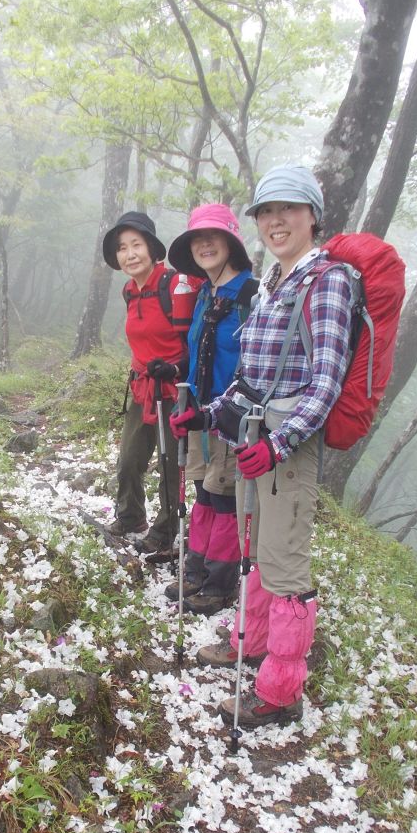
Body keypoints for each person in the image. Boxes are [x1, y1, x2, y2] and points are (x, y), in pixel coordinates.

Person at [170, 166, 352, 728]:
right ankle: (249, 640)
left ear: (312, 217)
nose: (275, 221)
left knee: (285, 565)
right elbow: (249, 376)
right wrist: (207, 414)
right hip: (252, 436)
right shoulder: (275, 281)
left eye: (288, 210)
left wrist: (280, 443)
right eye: (266, 213)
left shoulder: (329, 280)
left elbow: (326, 380)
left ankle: (279, 690)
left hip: (285, 449)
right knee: (256, 549)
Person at [164, 204, 258, 615]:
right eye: (197, 239)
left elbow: (256, 363)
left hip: (233, 418)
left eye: (213, 236)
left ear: (231, 243)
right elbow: (198, 350)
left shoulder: (250, 295)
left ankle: (220, 585)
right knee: (204, 493)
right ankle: (197, 568)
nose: (205, 244)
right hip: (200, 413)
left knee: (224, 499)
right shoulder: (207, 293)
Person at [102, 212, 199, 554]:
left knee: (171, 464)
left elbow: (196, 342)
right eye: (122, 248)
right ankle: (130, 516)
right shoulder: (129, 292)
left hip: (174, 388)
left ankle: (166, 528)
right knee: (129, 458)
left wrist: (174, 369)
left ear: (152, 249)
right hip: (143, 385)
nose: (129, 254)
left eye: (136, 245)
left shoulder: (173, 286)